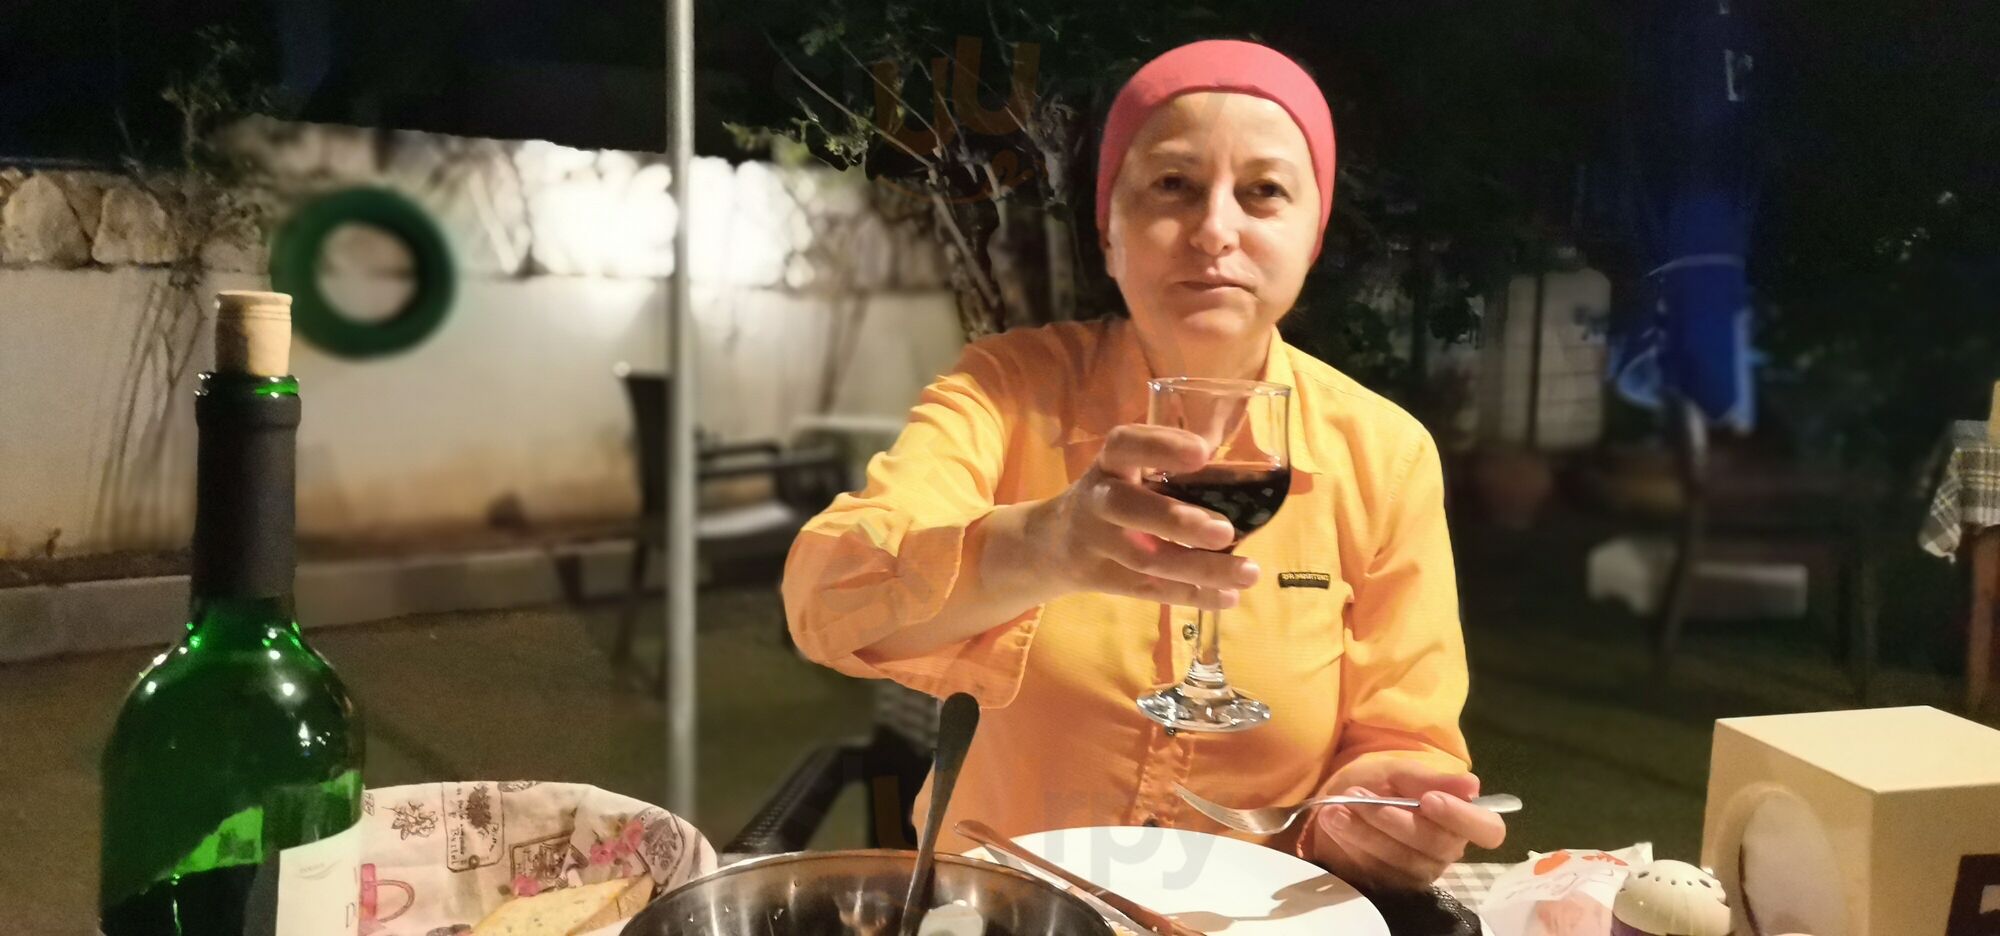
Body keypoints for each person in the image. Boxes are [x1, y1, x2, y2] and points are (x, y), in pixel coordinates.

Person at [781, 38, 1505, 892]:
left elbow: (1402, 739)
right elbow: (826, 602)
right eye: (1173, 185)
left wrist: (1373, 815)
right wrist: (1041, 546)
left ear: (1312, 236)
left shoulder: (1386, 454)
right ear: (1108, 232)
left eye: (1264, 192)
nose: (1215, 231)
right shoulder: (1005, 390)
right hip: (1006, 911)